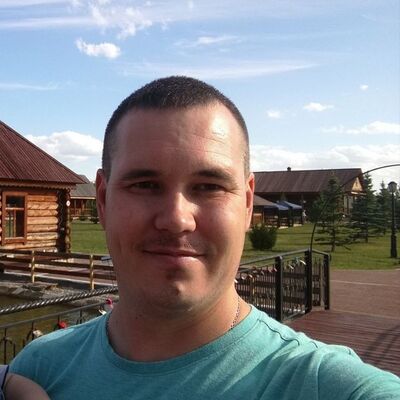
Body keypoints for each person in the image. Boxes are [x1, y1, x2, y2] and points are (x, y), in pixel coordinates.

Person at [9, 76, 400, 399]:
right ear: (103, 200)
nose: (176, 219)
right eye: (145, 184)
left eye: (210, 186)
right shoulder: (36, 373)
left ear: (247, 203)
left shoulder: (326, 386)